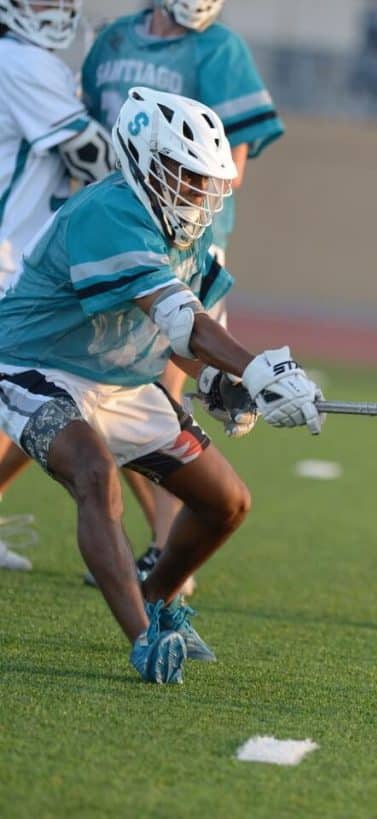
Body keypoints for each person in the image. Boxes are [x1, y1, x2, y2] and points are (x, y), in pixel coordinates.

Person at [0, 87, 323, 684]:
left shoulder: (187, 232)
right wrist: (258, 369)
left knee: (227, 502)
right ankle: (145, 640)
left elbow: (187, 343)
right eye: (187, 173)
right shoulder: (108, 211)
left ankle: (155, 598)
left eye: (207, 179)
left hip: (122, 381)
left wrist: (224, 385)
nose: (201, 192)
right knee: (95, 475)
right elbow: (181, 319)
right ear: (146, 160)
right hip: (33, 364)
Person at [76, 0, 285, 588]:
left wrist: (239, 374)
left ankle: (167, 551)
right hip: (113, 232)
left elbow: (229, 170)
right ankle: (162, 546)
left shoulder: (220, 49)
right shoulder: (116, 39)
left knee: (159, 388)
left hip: (181, 237)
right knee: (101, 389)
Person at [0, 0, 116, 570]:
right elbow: (90, 154)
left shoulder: (33, 61)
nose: (61, 7)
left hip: (22, 256)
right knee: (59, 388)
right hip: (7, 254)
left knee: (50, 390)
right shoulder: (20, 59)